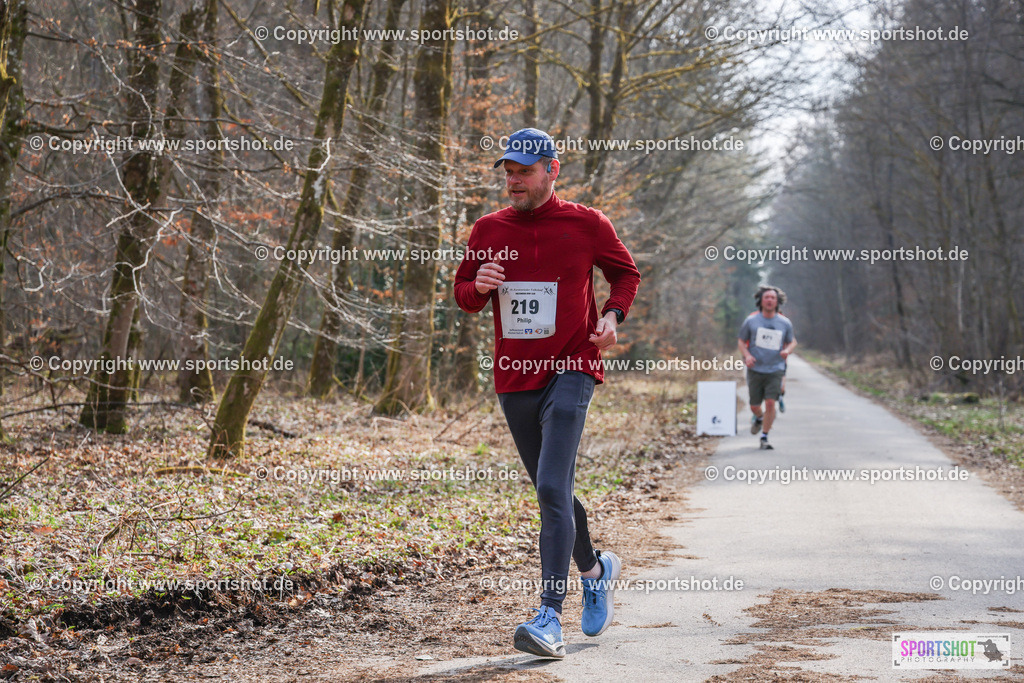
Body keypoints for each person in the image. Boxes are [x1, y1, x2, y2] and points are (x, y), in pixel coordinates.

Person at [454, 127, 641, 659]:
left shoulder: (587, 223)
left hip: (573, 365)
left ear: (552, 170)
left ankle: (549, 617)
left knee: (552, 485)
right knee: (550, 487)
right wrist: (480, 286)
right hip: (515, 375)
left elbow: (625, 274)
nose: (514, 181)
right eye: (509, 172)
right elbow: (463, 293)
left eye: (525, 172)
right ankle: (596, 571)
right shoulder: (488, 228)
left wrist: (612, 316)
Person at [737, 286, 796, 450]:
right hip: (755, 369)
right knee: (754, 406)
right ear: (761, 301)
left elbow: (792, 341)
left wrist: (787, 350)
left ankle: (764, 437)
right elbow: (741, 341)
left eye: (773, 298)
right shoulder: (751, 321)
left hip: (775, 369)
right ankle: (759, 417)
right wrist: (747, 356)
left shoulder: (784, 322)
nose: (770, 300)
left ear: (777, 302)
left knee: (770, 403)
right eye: (766, 297)